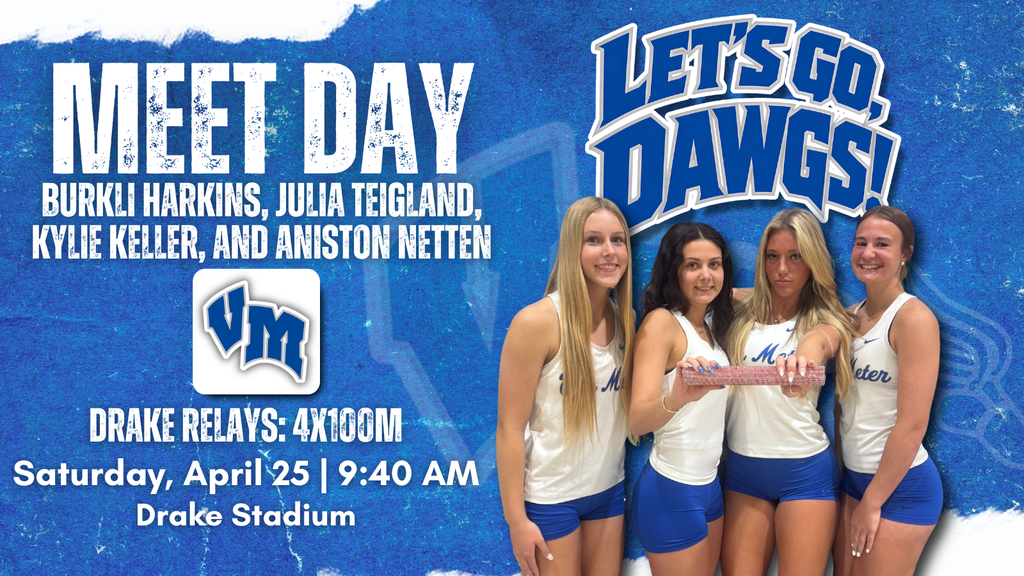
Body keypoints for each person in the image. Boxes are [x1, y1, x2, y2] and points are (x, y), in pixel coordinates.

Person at [496, 197, 635, 576]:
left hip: (608, 491)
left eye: (618, 240)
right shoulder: (536, 323)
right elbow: (509, 428)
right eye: (594, 240)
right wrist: (516, 521)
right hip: (552, 499)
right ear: (573, 247)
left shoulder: (625, 319)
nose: (609, 251)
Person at [719, 208, 857, 576]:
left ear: (812, 261)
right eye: (773, 257)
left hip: (804, 471)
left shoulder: (827, 322)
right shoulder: (739, 309)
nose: (782, 269)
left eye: (795, 257)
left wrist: (803, 359)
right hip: (743, 470)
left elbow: (818, 343)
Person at [833, 206, 942, 576]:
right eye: (861, 243)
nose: (868, 253)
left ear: (905, 253)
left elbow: (912, 425)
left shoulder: (914, 319)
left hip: (899, 490)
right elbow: (842, 408)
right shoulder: (850, 317)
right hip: (853, 481)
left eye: (882, 244)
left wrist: (872, 502)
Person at [629, 222, 735, 576]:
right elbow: (637, 420)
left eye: (714, 264)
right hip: (671, 489)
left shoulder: (710, 323)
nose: (705, 275)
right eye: (693, 265)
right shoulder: (661, 323)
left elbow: (757, 294)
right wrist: (675, 399)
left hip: (709, 487)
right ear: (673, 270)